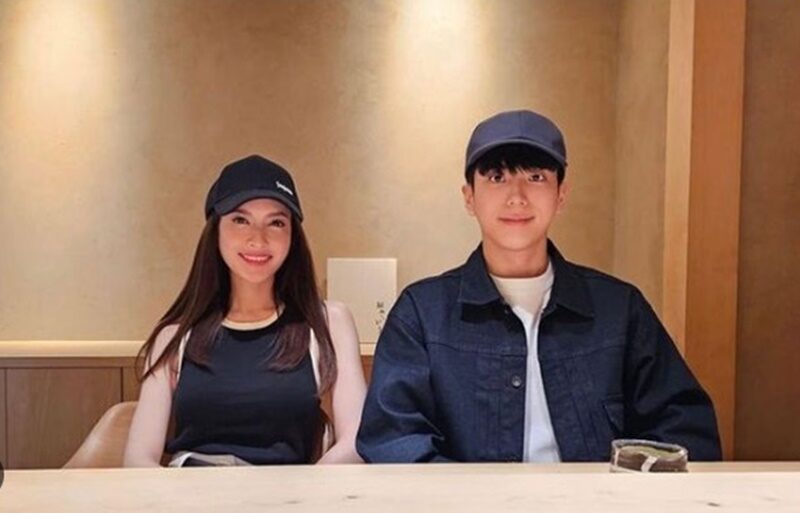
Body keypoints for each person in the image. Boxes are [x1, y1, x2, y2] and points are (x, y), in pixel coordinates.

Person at [357, 110, 721, 463]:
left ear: (561, 194)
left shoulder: (619, 309)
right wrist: (476, 496)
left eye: (535, 177)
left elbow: (685, 429)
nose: (517, 196)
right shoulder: (421, 314)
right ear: (469, 197)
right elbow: (393, 439)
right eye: (497, 177)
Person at [124, 155, 366, 466]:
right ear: (216, 230)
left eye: (276, 223)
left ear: (292, 237)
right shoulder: (175, 336)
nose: (258, 239)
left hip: (292, 490)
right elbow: (138, 458)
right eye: (240, 220)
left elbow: (356, 441)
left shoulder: (328, 323)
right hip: (190, 488)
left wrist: (307, 489)